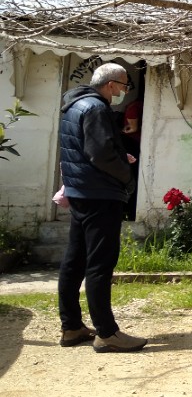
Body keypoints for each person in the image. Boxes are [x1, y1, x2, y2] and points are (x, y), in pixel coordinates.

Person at [57, 62, 148, 352]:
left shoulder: (75, 105)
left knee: (75, 261)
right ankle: (107, 333)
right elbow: (101, 154)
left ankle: (71, 326)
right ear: (111, 85)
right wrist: (126, 173)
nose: (124, 91)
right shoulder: (96, 108)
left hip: (81, 190)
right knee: (100, 263)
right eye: (123, 85)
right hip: (100, 194)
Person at [121, 96, 143, 222]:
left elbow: (132, 128)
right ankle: (129, 211)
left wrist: (121, 131)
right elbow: (134, 128)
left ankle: (126, 211)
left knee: (129, 179)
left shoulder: (133, 107)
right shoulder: (137, 106)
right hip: (134, 145)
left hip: (131, 144)